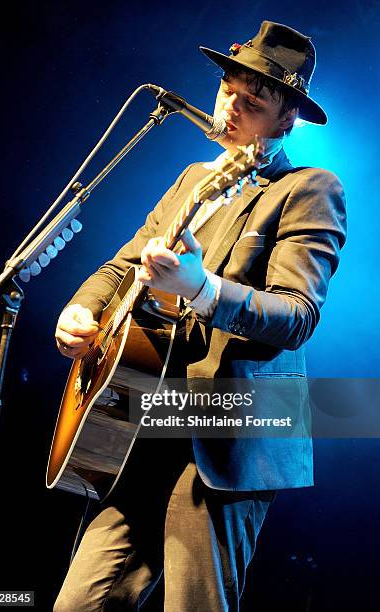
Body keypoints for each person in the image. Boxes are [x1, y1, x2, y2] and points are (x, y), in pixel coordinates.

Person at [53, 20, 346, 611]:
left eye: (253, 102)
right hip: (144, 417)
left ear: (285, 119)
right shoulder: (193, 178)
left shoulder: (311, 188)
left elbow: (297, 315)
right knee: (79, 603)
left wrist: (202, 290)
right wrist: (82, 307)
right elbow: (122, 267)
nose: (231, 109)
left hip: (229, 431)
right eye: (227, 92)